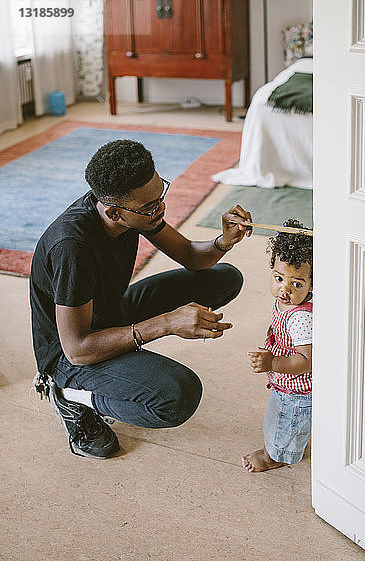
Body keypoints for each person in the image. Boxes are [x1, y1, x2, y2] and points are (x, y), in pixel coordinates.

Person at [30, 139, 252, 459]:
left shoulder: (136, 208)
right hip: (70, 354)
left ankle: (114, 366)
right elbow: (77, 348)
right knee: (179, 395)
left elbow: (191, 255)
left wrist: (223, 241)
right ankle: (72, 396)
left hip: (109, 312)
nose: (159, 207)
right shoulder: (72, 247)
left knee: (225, 278)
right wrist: (165, 324)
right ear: (114, 212)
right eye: (150, 206)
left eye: (160, 192)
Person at [241, 219, 312, 472]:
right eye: (279, 277)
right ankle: (294, 443)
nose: (285, 289)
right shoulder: (287, 303)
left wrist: (272, 362)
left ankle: (276, 457)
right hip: (286, 380)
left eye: (297, 284)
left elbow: (306, 361)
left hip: (297, 389)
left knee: (286, 420)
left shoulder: (301, 318)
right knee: (287, 421)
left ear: (312, 285)